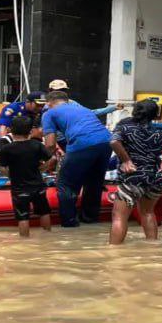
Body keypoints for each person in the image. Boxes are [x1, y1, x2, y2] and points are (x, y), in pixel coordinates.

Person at [109, 99, 162, 244]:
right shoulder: (159, 133)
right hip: (155, 178)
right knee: (147, 213)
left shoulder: (124, 127)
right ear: (156, 115)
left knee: (119, 217)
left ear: (135, 111)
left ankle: (113, 250)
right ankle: (152, 245)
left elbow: (114, 142)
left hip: (133, 178)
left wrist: (126, 160)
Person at [41, 90, 113, 227]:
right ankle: (90, 219)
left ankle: (70, 222)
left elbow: (50, 144)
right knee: (94, 183)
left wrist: (45, 161)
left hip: (82, 143)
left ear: (49, 103)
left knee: (65, 184)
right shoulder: (82, 108)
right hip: (107, 142)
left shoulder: (49, 113)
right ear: (67, 100)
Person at [0, 115, 53, 237]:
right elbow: (52, 158)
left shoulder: (7, 148)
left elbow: (1, 168)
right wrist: (42, 169)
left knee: (23, 217)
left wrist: (11, 176)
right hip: (38, 186)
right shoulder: (37, 145)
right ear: (30, 131)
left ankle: (24, 241)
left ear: (11, 130)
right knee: (44, 212)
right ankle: (48, 236)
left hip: (19, 188)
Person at [48, 78, 123, 117]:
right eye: (57, 90)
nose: (60, 93)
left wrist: (113, 108)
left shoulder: (72, 103)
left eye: (62, 90)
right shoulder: (45, 104)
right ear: (50, 91)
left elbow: (90, 113)